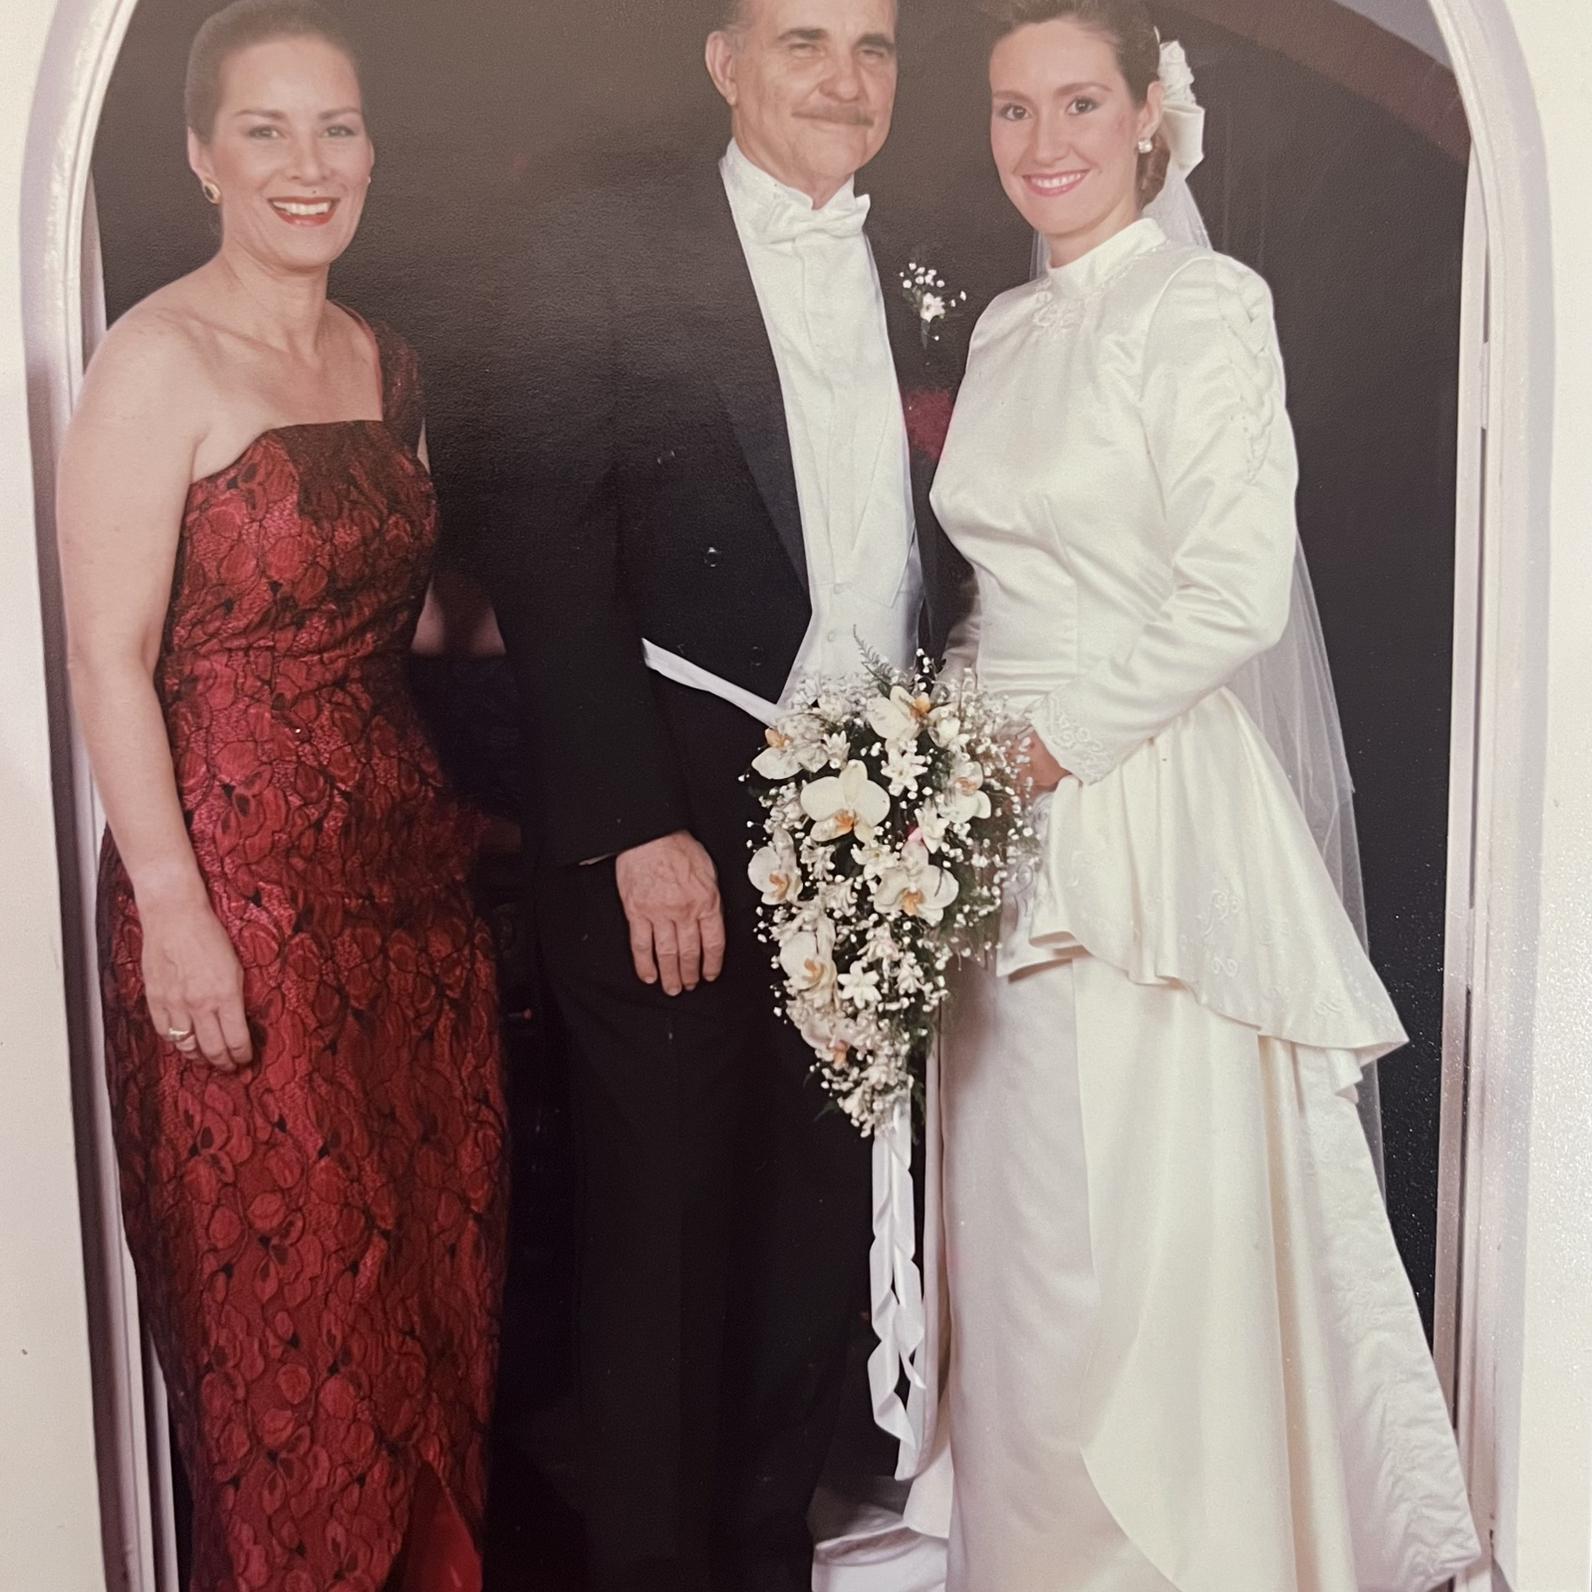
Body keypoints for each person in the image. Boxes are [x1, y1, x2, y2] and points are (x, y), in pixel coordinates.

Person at [892, 2, 1484, 1588]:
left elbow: (1233, 591)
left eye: (1080, 101)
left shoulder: (1208, 303)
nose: (1045, 143)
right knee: (1016, 1238)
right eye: (1014, 110)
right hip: (989, 826)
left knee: (1134, 1233)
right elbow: (982, 593)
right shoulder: (1009, 330)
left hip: (1139, 812)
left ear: (1154, 112)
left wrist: (1048, 746)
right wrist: (930, 767)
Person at [454, 0, 970, 1586]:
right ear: (724, 61)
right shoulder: (601, 245)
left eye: (874, 46)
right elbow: (538, 540)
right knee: (668, 1241)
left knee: (810, 1237)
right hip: (669, 798)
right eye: (804, 39)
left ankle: (761, 1565)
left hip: (869, 818)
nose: (844, 77)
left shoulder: (932, 261)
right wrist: (628, 825)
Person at [57, 4, 507, 1587]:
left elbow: (405, 612)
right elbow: (108, 659)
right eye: (267, 129)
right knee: (299, 1364)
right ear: (201, 154)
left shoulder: (382, 358)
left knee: (432, 1331)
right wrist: (177, 919)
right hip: (243, 912)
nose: (308, 166)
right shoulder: (151, 358)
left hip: (413, 906)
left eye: (337, 129)